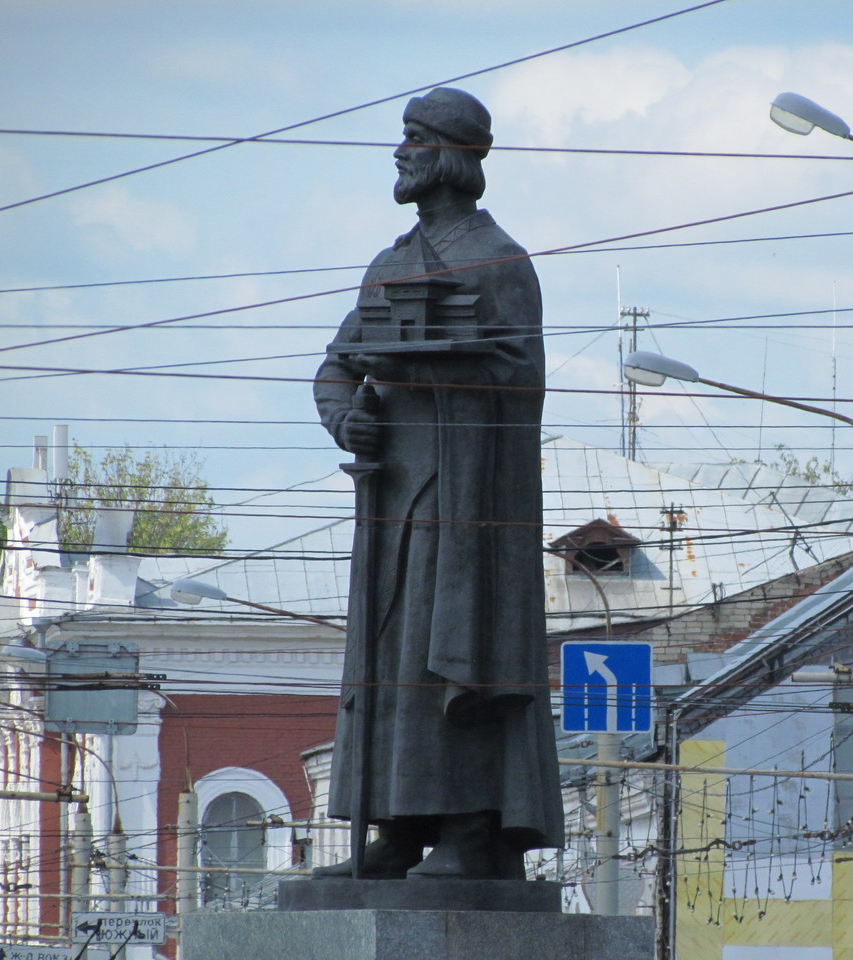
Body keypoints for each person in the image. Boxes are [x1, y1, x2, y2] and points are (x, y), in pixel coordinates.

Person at [311, 87, 562, 881]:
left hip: (466, 506)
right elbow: (337, 365)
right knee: (390, 661)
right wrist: (346, 415)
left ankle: (466, 827)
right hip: (389, 499)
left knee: (447, 656)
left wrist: (437, 366)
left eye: (414, 140)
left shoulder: (502, 262)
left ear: (451, 155)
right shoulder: (388, 264)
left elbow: (523, 380)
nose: (401, 153)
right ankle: (399, 824)